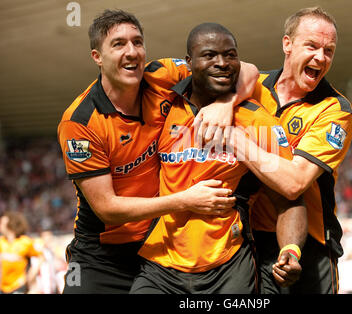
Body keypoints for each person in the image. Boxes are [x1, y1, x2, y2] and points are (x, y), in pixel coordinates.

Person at [57, 10, 254, 294]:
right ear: (97, 57)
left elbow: (245, 68)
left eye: (137, 42)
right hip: (102, 254)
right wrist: (185, 200)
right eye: (119, 44)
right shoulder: (80, 121)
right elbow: (107, 208)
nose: (132, 52)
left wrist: (227, 102)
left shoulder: (162, 75)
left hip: (158, 246)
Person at [130, 22, 306, 294]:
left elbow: (288, 198)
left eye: (231, 55)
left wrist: (292, 250)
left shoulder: (258, 121)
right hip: (160, 265)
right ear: (189, 62)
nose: (222, 63)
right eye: (209, 55)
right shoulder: (163, 109)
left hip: (228, 265)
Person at [229, 7, 352, 294]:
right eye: (312, 46)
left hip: (311, 246)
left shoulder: (335, 109)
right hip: (251, 239)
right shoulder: (253, 86)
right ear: (287, 44)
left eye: (329, 50)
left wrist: (237, 142)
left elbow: (294, 183)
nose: (321, 57)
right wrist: (221, 105)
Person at [0, 211, 43, 294]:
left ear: (10, 224)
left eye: (2, 223)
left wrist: (32, 274)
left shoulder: (25, 242)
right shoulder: (1, 242)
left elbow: (41, 257)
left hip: (19, 285)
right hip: (3, 287)